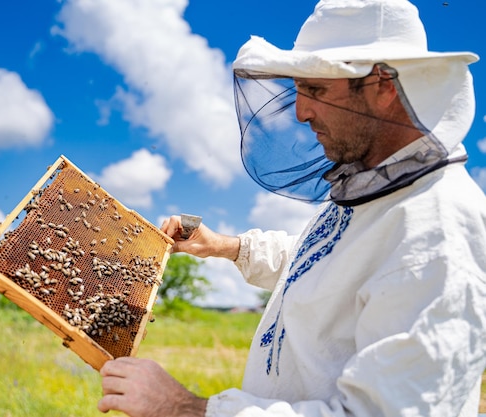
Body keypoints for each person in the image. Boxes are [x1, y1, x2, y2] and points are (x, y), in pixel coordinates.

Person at [97, 0, 486, 415]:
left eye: (316, 90)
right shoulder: (373, 189)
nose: (301, 112)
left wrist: (185, 408)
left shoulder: (438, 232)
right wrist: (227, 246)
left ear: (383, 86)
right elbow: (324, 266)